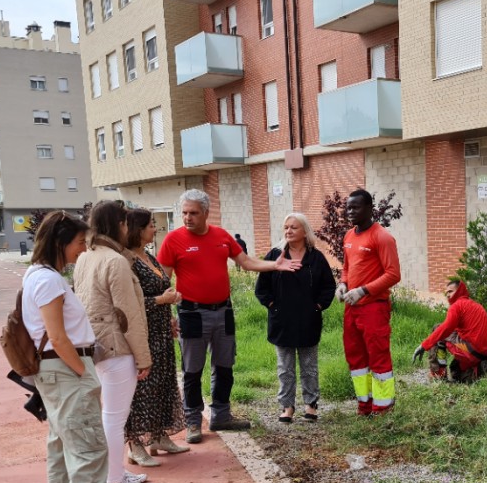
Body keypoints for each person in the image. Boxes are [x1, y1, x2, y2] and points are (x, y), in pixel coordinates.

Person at [157, 189, 301, 442]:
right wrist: (167, 315)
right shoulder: (173, 240)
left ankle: (221, 416)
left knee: (224, 367)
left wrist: (274, 266)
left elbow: (245, 262)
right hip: (191, 313)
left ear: (205, 213)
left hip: (223, 311)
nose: (187, 218)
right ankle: (193, 421)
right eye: (184, 213)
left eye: (193, 213)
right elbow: (163, 283)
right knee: (192, 370)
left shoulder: (221, 236)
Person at [22, 210, 125, 483]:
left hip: (55, 371)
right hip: (66, 369)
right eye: (80, 242)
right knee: (89, 450)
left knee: (62, 446)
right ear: (60, 242)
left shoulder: (38, 275)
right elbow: (58, 336)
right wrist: (82, 374)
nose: (83, 249)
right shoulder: (49, 280)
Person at [73, 201, 155, 483]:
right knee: (115, 418)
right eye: (124, 223)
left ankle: (115, 475)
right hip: (117, 345)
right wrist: (143, 357)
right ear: (116, 225)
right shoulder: (115, 261)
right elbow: (128, 314)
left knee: (109, 415)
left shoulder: (86, 257)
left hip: (95, 343)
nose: (127, 228)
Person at [254, 213, 336, 423]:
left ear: (304, 231)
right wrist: (273, 306)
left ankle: (311, 405)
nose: (288, 231)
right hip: (282, 321)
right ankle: (287, 406)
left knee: (309, 366)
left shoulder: (316, 258)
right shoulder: (275, 255)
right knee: (285, 368)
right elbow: (261, 288)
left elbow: (328, 286)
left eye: (294, 227)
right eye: (286, 227)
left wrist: (317, 306)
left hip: (308, 320)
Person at [123, 208, 188, 465]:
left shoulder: (148, 256)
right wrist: (163, 299)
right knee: (142, 389)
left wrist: (169, 312)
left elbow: (160, 292)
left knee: (163, 382)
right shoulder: (127, 260)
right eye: (151, 225)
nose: (155, 229)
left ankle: (159, 436)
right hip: (143, 332)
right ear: (137, 229)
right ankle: (135, 444)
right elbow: (130, 302)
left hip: (161, 329)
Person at [336, 188, 401, 415]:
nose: (350, 212)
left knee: (378, 356)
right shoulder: (348, 236)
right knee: (356, 358)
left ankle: (383, 408)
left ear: (369, 209)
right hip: (351, 308)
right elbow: (346, 268)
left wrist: (363, 291)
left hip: (374, 308)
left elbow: (393, 274)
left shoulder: (382, 237)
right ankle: (364, 405)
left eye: (355, 207)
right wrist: (343, 284)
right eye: (348, 207)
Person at [411, 277, 487, 383]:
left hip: (471, 351)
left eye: (451, 291)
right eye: (446, 293)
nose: (448, 295)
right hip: (483, 354)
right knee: (455, 371)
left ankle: (438, 375)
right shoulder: (476, 305)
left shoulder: (457, 306)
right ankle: (478, 372)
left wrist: (424, 346)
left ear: (459, 290)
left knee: (438, 328)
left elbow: (446, 328)